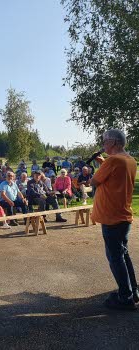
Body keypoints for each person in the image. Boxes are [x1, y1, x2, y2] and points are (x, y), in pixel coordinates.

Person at [91, 129, 138, 310]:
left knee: (115, 257)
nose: (103, 144)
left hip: (111, 216)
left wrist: (103, 165)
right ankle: (132, 291)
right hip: (123, 214)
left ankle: (125, 298)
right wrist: (104, 163)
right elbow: (116, 177)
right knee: (123, 254)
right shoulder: (129, 160)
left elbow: (95, 181)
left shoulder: (113, 161)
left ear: (114, 142)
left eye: (104, 141)